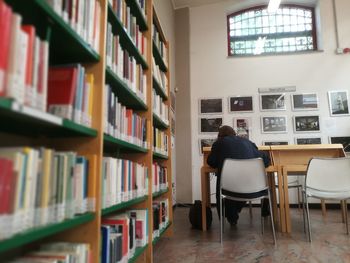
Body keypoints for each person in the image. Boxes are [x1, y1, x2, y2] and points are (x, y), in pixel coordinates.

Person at [207, 125, 271, 225]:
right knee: (238, 186)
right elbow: (266, 160)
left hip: (228, 188)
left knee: (230, 186)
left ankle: (231, 218)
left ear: (220, 136)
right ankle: (233, 216)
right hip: (251, 188)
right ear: (234, 134)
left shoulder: (218, 144)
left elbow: (211, 162)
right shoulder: (248, 143)